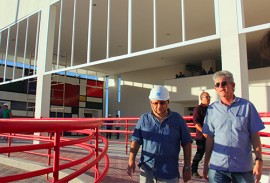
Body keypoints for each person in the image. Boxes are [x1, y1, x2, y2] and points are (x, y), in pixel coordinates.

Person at [202, 70, 265, 183]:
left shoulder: (247, 106)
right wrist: (206, 163)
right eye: (217, 84)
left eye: (224, 83)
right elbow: (210, 138)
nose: (221, 86)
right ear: (215, 88)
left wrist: (259, 161)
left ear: (233, 85)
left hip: (242, 168)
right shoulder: (211, 110)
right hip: (218, 168)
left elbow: (255, 135)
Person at [127, 85, 192, 183]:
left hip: (169, 172)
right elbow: (136, 141)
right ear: (150, 103)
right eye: (155, 103)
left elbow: (187, 143)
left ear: (168, 102)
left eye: (162, 103)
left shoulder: (177, 119)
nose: (159, 106)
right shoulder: (144, 119)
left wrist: (187, 167)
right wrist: (131, 160)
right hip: (147, 170)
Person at [191, 92, 211, 178]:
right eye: (206, 97)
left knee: (211, 154)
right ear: (201, 98)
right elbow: (196, 123)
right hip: (201, 137)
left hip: (211, 136)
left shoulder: (211, 109)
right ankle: (193, 171)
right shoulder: (198, 109)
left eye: (209, 97)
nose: (209, 98)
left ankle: (210, 172)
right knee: (200, 154)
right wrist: (204, 132)